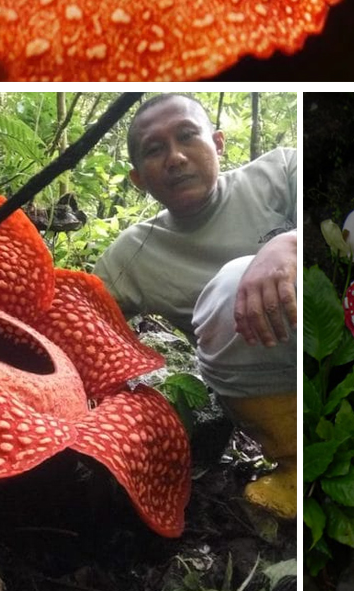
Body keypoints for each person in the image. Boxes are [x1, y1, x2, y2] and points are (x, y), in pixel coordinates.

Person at [93, 93, 297, 517]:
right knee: (232, 284)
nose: (175, 157)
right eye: (155, 150)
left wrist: (290, 243)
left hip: (330, 336)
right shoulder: (131, 255)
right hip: (263, 384)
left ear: (218, 143)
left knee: (239, 276)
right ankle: (297, 462)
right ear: (138, 179)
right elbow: (78, 327)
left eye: (188, 136)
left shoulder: (281, 172)